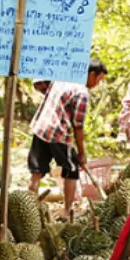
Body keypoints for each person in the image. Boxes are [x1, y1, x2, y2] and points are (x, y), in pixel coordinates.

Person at [27, 59, 108, 216]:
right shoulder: (81, 93)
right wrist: (82, 154)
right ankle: (67, 210)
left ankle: (30, 211)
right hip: (58, 132)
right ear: (91, 74)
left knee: (37, 171)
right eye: (98, 80)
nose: (97, 84)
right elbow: (78, 126)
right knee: (71, 170)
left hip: (41, 128)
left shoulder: (61, 80)